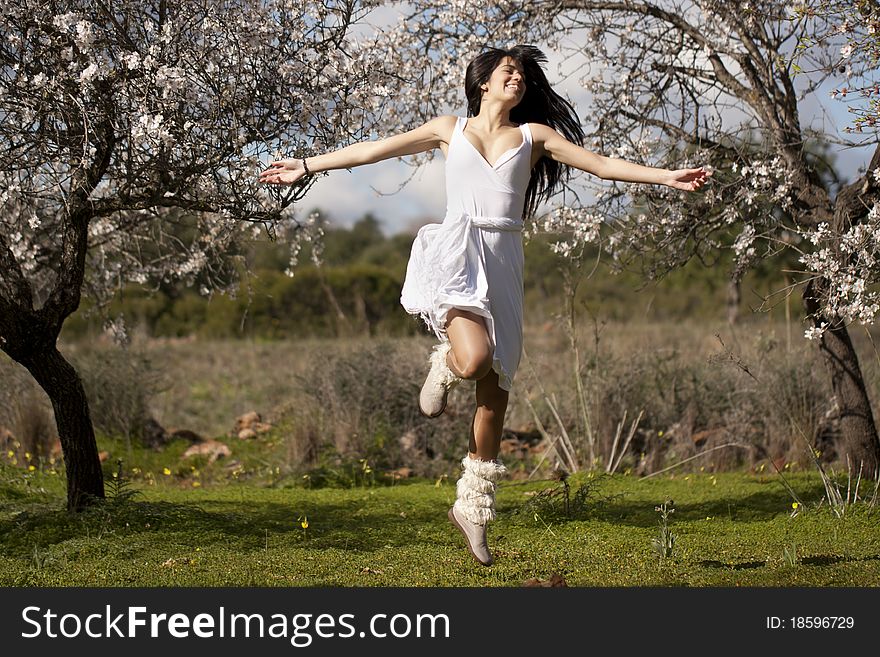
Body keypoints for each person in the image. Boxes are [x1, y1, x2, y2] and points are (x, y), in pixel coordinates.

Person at [259, 45, 711, 567]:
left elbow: (603, 165)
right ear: (483, 83)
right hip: (458, 253)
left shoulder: (533, 137)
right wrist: (308, 164)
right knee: (473, 360)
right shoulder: (449, 129)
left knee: (495, 395)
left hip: (505, 262)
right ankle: (444, 364)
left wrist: (665, 176)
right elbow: (374, 150)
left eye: (521, 72)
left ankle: (473, 505)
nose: (516, 78)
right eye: (507, 71)